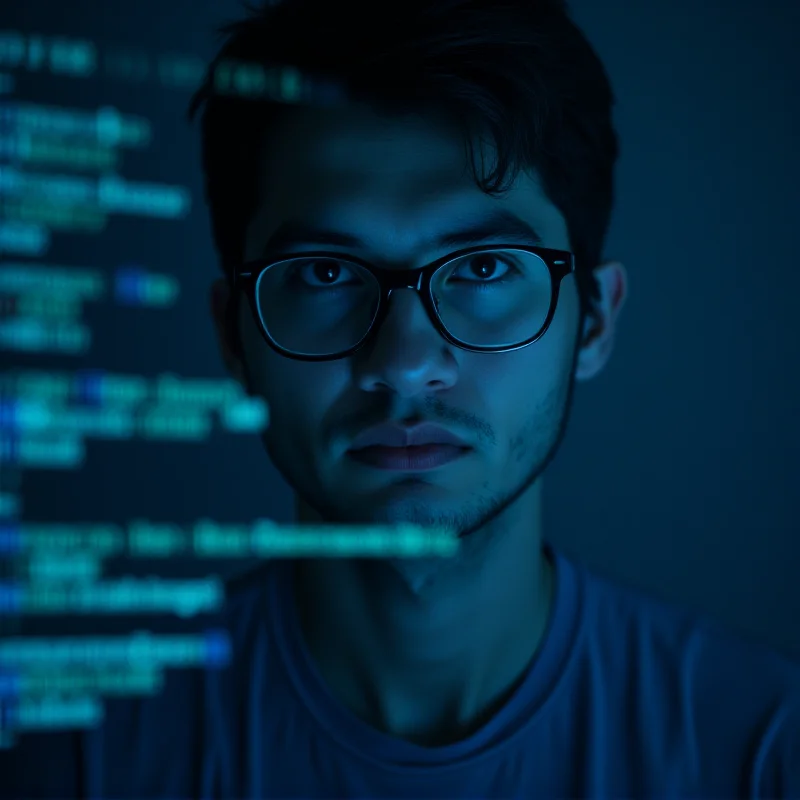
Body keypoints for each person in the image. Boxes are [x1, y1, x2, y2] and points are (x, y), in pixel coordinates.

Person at [2, 0, 799, 797]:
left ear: (593, 321)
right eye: (324, 273)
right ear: (233, 336)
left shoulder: (765, 751)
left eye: (484, 268)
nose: (406, 363)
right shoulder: (72, 761)